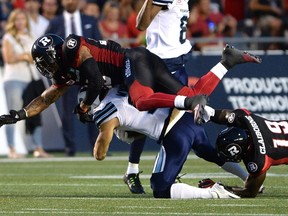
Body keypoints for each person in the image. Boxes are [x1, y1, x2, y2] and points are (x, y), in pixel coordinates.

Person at [0, 33, 260, 153]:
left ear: (56, 53)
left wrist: (84, 107)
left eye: (46, 60)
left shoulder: (71, 47)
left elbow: (91, 77)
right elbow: (47, 98)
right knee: (194, 96)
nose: (45, 67)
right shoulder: (62, 73)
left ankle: (189, 101)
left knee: (142, 100)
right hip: (139, 64)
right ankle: (227, 61)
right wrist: (20, 113)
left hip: (131, 62)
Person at [92, 86, 240, 199]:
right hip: (186, 117)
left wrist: (108, 128)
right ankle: (247, 179)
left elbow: (100, 154)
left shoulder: (105, 110)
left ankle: (212, 193)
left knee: (160, 187)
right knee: (209, 153)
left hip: (175, 132)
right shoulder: (121, 86)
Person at [122, 0, 195, 194]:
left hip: (176, 64)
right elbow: (141, 25)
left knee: (174, 122)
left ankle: (167, 171)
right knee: (144, 116)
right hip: (157, 65)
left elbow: (145, 24)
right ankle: (132, 170)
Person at [45, 0, 102, 156]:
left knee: (93, 107)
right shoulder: (55, 22)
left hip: (88, 71)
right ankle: (70, 148)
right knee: (66, 112)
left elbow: (98, 43)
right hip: (66, 73)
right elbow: (48, 46)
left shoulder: (89, 20)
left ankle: (95, 146)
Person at [199, 105, 286, 197]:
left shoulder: (258, 158)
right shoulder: (245, 119)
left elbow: (249, 192)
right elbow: (226, 115)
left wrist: (221, 188)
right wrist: (211, 114)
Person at [1, 9, 51, 158]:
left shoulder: (31, 36)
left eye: (22, 19)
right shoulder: (9, 37)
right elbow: (9, 58)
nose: (20, 22)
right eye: (17, 19)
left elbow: (38, 56)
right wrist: (25, 56)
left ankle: (38, 148)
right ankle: (11, 148)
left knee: (34, 112)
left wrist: (24, 56)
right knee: (12, 113)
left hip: (31, 79)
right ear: (13, 22)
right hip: (14, 79)